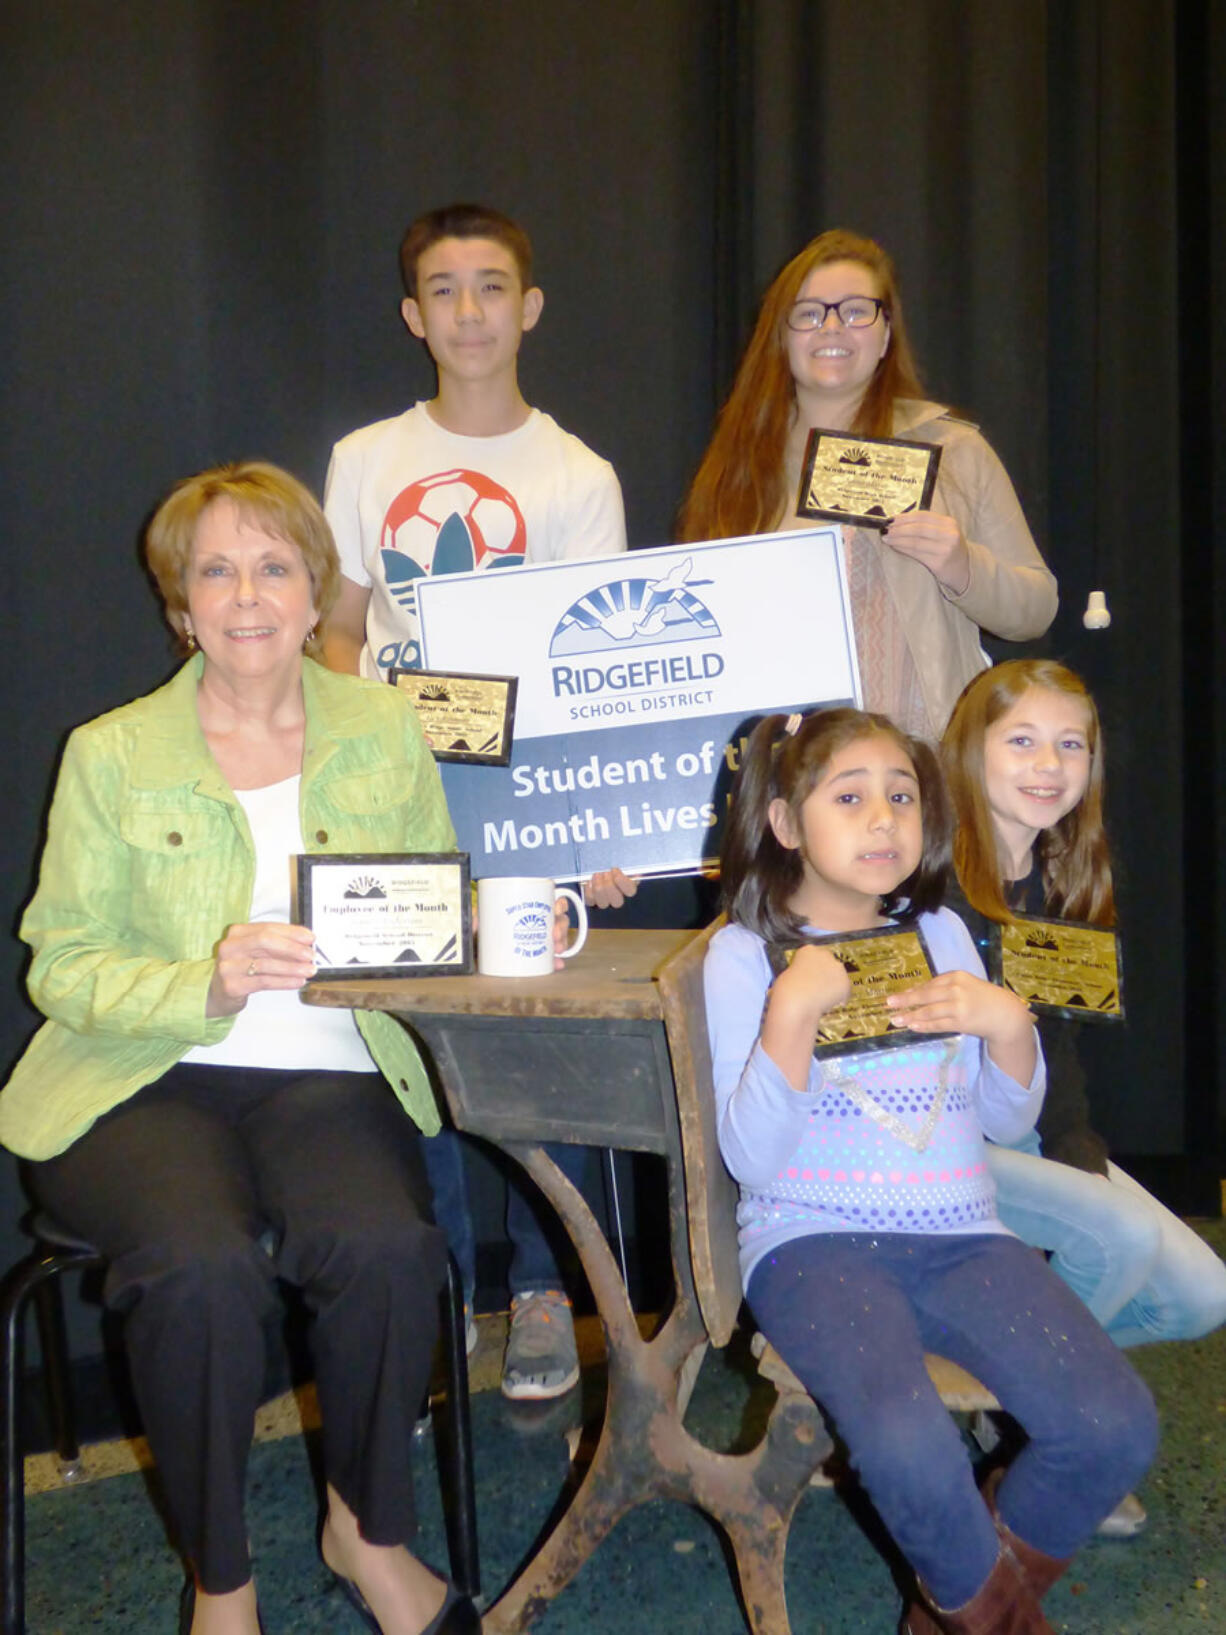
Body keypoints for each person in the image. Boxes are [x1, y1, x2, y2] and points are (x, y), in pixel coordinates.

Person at [0, 464, 477, 1635]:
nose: (248, 594)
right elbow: (58, 963)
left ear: (318, 596)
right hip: (142, 1076)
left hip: (330, 1069)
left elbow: (433, 905)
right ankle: (222, 1581)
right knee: (199, 1267)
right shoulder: (109, 752)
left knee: (383, 1247)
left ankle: (366, 1533)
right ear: (181, 604)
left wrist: (438, 933)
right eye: (216, 569)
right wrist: (200, 977)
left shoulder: (381, 726)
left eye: (274, 567)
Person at [704, 706, 1157, 1633]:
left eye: (902, 796)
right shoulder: (745, 954)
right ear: (787, 823)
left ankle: (945, 1614)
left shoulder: (943, 932)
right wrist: (790, 1018)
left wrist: (1009, 1026)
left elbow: (1002, 1114)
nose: (883, 819)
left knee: (1116, 1423)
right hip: (811, 1241)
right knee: (910, 1445)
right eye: (851, 796)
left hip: (958, 1229)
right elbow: (751, 1160)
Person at [321, 202, 629, 1400]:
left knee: (533, 1040)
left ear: (529, 306)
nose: (467, 312)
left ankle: (548, 1291)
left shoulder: (575, 474)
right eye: (442, 290)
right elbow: (341, 629)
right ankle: (444, 1289)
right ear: (412, 316)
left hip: (532, 798)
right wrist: (376, 722)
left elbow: (592, 665)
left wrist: (594, 828)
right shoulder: (362, 460)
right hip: (398, 792)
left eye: (490, 286)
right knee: (413, 1043)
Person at [941, 659, 1226, 1522]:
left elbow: (1059, 1049)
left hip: (1025, 1126)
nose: (1048, 763)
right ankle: (1050, 1431)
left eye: (1070, 744)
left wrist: (1078, 1159)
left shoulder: (1062, 877)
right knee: (1121, 1236)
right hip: (940, 1142)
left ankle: (995, 1391)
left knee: (1202, 1290)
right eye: (1021, 739)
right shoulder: (930, 875)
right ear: (969, 750)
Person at [678, 229, 1057, 740]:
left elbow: (1036, 608)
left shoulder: (954, 452)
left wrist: (962, 566)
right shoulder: (739, 469)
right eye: (809, 313)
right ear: (780, 336)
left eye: (856, 311)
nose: (832, 328)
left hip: (929, 766)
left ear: (885, 333)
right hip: (796, 772)